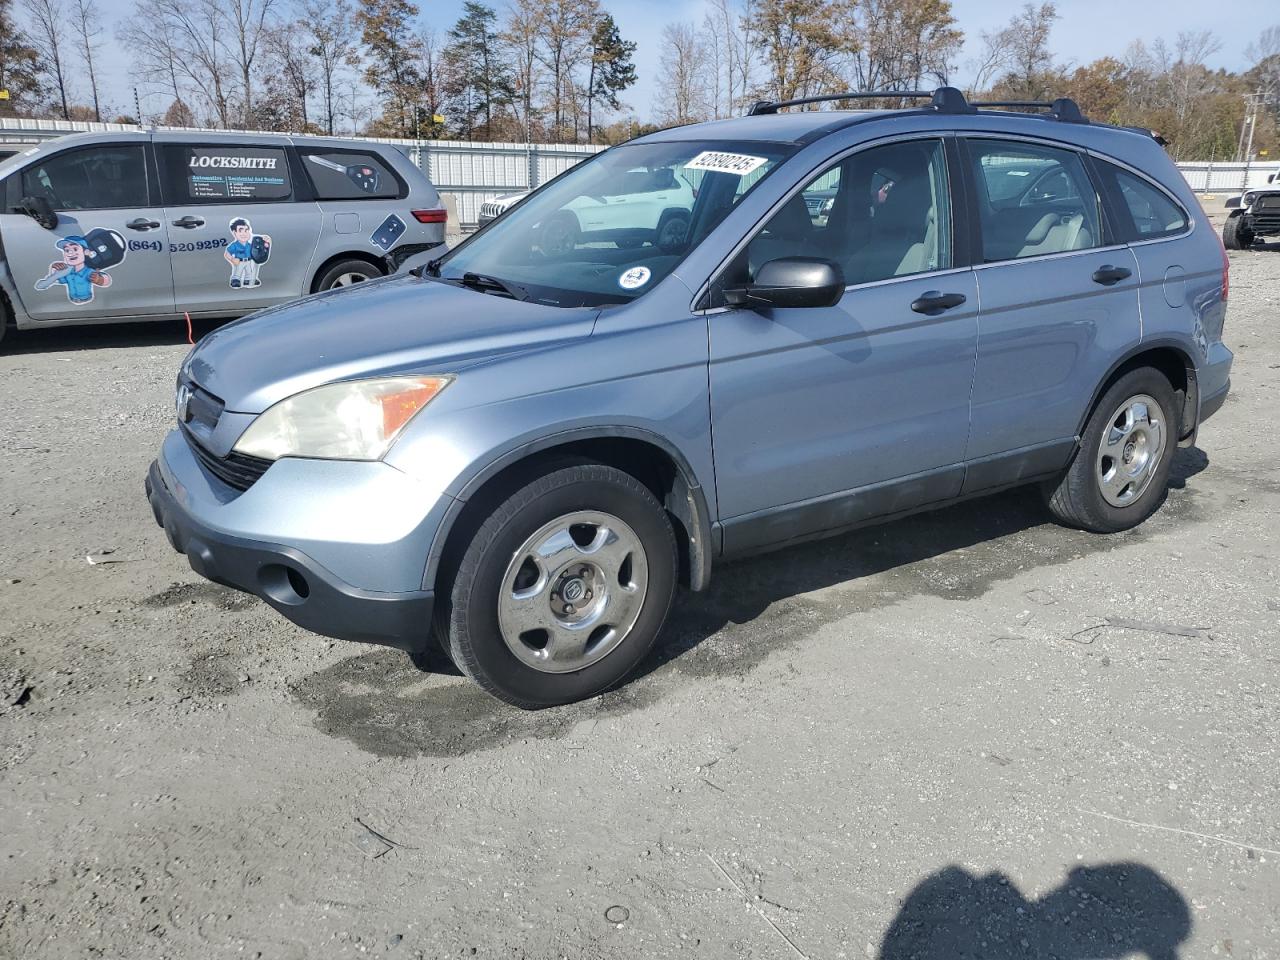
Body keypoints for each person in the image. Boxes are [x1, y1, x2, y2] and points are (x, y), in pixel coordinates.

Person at [34, 236, 112, 304]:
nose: (70, 253)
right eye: (66, 250)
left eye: (75, 248)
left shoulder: (88, 271)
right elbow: (55, 281)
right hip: (72, 300)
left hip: (87, 300)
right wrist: (55, 271)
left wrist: (99, 279)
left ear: (86, 252)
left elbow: (106, 280)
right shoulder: (67, 272)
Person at [224, 218, 271, 289]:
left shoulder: (250, 244)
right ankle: (235, 280)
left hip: (248, 261)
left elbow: (258, 247)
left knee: (249, 272)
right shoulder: (234, 245)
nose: (244, 234)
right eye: (240, 231)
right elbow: (227, 253)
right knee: (238, 272)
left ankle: (248, 280)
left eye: (246, 230)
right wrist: (232, 259)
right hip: (239, 261)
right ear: (234, 232)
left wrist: (266, 239)